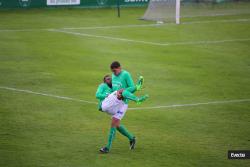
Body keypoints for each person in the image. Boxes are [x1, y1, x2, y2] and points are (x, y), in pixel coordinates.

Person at [96, 71, 147, 153]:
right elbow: (97, 95)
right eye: (108, 79)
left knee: (116, 125)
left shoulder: (113, 88)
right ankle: (137, 91)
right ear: (104, 81)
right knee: (121, 91)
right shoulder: (102, 86)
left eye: (110, 79)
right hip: (106, 105)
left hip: (116, 106)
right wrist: (107, 95)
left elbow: (126, 92)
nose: (110, 80)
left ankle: (131, 139)